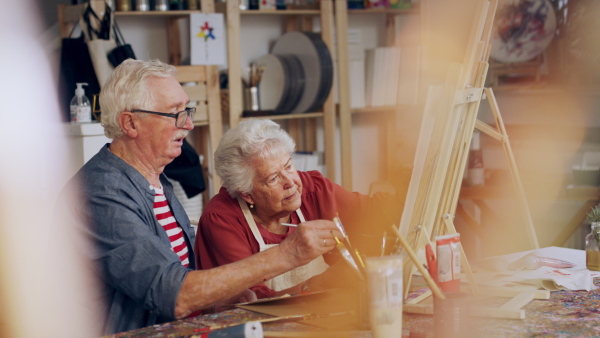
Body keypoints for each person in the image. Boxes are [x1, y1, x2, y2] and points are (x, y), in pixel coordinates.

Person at [61, 59, 341, 335]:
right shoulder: (99, 193)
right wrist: (288, 254)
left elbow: (179, 285)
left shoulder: (158, 182)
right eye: (175, 114)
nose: (189, 124)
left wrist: (218, 300)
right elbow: (173, 295)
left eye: (188, 110)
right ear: (130, 123)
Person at [194, 119, 402, 299]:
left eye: (288, 166)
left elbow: (375, 213)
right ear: (247, 194)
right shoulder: (221, 220)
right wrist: (318, 285)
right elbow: (251, 304)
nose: (291, 182)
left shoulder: (312, 188)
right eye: (273, 178)